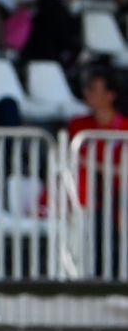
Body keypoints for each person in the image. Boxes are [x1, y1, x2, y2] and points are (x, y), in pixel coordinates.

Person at [68, 66, 128, 272]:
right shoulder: (78, 126)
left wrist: (97, 166)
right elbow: (73, 164)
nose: (87, 94)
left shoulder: (125, 128)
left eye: (93, 89)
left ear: (110, 95)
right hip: (92, 201)